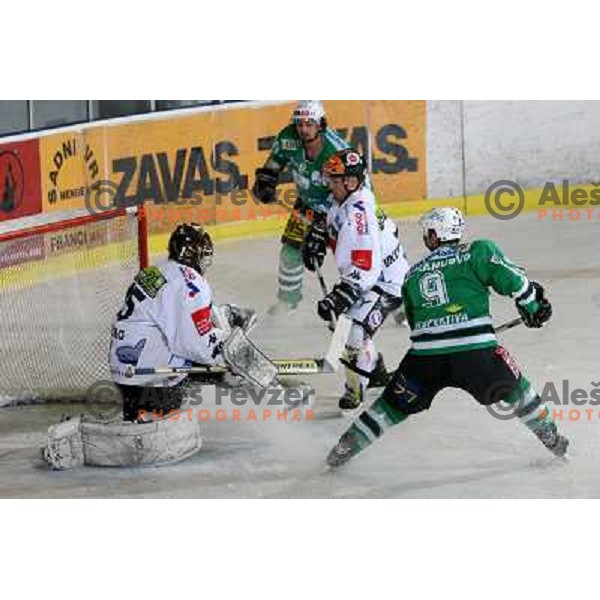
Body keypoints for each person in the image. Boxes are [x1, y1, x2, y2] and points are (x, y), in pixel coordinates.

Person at [326, 207, 569, 467]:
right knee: (518, 389)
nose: (424, 237)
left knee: (389, 407)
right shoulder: (478, 251)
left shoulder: (412, 273)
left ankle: (344, 449)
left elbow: (417, 323)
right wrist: (533, 307)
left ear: (434, 234)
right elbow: (515, 281)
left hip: (424, 360)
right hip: (476, 355)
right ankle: (550, 435)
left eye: (426, 232)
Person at [109, 222, 255, 422]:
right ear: (196, 255)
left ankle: (138, 416)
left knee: (210, 358)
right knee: (219, 362)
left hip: (126, 370)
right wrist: (229, 362)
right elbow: (196, 346)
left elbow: (176, 314)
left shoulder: (158, 270)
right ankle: (261, 393)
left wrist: (221, 316)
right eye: (205, 255)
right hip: (152, 376)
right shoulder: (190, 283)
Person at [303, 149, 409, 412]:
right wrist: (318, 235)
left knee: (353, 331)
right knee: (345, 329)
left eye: (334, 179)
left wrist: (341, 295)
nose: (329, 184)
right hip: (370, 277)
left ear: (350, 182)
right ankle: (376, 372)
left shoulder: (359, 215)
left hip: (386, 281)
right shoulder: (345, 199)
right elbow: (333, 221)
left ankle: (356, 390)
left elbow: (366, 265)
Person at [252, 100, 350, 314]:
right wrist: (266, 180)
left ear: (320, 124)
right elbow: (275, 160)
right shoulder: (288, 137)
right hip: (306, 207)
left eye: (309, 124)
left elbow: (353, 191)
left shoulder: (336, 151)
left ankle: (384, 297)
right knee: (290, 251)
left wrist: (325, 225)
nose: (303, 129)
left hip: (339, 209)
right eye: (299, 124)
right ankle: (288, 300)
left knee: (351, 255)